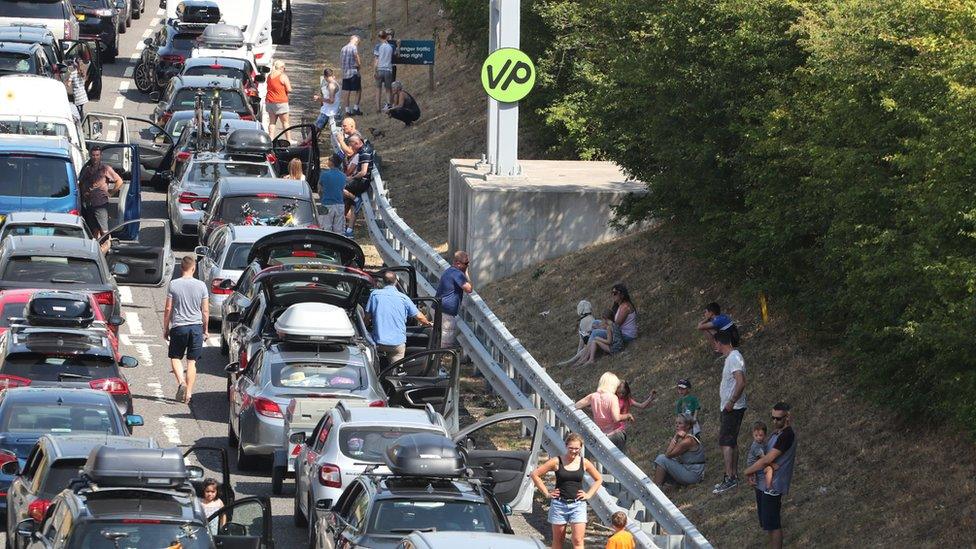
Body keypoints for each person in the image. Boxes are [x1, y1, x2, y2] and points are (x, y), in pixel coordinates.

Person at [530, 433, 603, 549]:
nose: (574, 451)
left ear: (581, 448)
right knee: (558, 540)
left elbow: (599, 479)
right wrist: (547, 493)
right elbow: (535, 474)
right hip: (559, 505)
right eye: (571, 448)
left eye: (577, 449)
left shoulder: (584, 462)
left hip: (578, 504)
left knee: (578, 540)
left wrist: (589, 494)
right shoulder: (556, 461)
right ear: (566, 446)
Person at [743, 403, 797, 549]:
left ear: (788, 417)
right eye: (772, 418)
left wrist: (747, 471)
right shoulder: (776, 433)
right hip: (763, 483)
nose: (774, 422)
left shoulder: (787, 435)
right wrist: (753, 472)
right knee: (767, 523)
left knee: (773, 524)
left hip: (774, 485)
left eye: (778, 419)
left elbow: (767, 459)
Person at [163, 256, 209, 405]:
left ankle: (181, 382)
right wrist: (205, 329)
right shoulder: (201, 285)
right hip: (196, 327)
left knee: (175, 357)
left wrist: (166, 327)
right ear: (193, 268)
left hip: (179, 327)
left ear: (181, 268)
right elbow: (206, 310)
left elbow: (168, 308)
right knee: (192, 362)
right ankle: (188, 393)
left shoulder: (174, 284)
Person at [365, 271, 433, 365]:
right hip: (397, 343)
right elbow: (419, 316)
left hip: (378, 342)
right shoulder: (404, 298)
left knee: (372, 366)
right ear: (396, 281)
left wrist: (364, 328)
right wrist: (428, 323)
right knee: (396, 369)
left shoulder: (375, 295)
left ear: (383, 281)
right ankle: (395, 378)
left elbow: (367, 318)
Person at [713, 330, 747, 494]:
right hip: (731, 406)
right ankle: (733, 475)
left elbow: (740, 382)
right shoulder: (734, 357)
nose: (715, 346)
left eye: (715, 343)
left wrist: (731, 401)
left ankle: (730, 477)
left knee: (726, 442)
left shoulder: (733, 357)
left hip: (732, 407)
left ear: (720, 342)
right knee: (731, 441)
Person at [574, 372, 632, 451]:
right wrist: (627, 416)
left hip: (601, 434)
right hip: (615, 433)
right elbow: (616, 418)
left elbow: (577, 405)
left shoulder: (593, 396)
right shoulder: (613, 398)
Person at [78, 147, 123, 246]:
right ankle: (97, 248)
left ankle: (108, 247)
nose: (95, 157)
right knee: (93, 230)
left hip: (101, 204)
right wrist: (84, 193)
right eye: (93, 155)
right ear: (90, 156)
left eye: (97, 155)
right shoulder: (87, 169)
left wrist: (111, 192)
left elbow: (119, 181)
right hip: (89, 204)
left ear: (101, 156)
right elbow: (80, 183)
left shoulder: (105, 169)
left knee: (104, 230)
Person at [652, 414, 706, 487]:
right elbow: (669, 455)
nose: (677, 425)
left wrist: (675, 437)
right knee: (663, 461)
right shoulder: (686, 438)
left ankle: (656, 490)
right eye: (676, 423)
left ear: (687, 426)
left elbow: (668, 454)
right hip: (689, 471)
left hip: (693, 476)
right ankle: (656, 486)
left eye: (680, 423)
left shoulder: (688, 441)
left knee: (661, 459)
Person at [434, 251, 473, 347]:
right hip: (446, 313)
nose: (467, 265)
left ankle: (435, 358)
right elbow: (469, 289)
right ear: (458, 263)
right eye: (466, 263)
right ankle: (439, 360)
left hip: (439, 309)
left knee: (437, 340)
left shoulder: (449, 271)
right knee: (445, 344)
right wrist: (466, 273)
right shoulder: (457, 273)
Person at [341, 133, 374, 237]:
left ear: (357, 143)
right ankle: (349, 230)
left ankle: (356, 199)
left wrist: (352, 177)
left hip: (362, 182)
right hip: (362, 182)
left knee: (339, 187)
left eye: (352, 145)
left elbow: (363, 172)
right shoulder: (364, 149)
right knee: (351, 204)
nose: (351, 148)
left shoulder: (364, 153)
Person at [746, 422, 778, 495]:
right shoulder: (756, 446)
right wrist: (773, 464)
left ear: (764, 435)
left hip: (757, 463)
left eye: (760, 435)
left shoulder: (762, 442)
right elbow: (763, 458)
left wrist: (773, 433)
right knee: (769, 469)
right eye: (756, 435)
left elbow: (768, 440)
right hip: (753, 465)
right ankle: (768, 488)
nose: (758, 438)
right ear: (753, 435)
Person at [317, 154, 346, 233]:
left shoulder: (324, 174)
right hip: (339, 204)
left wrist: (321, 197)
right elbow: (343, 189)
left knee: (325, 228)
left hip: (327, 203)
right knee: (339, 230)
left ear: (332, 162)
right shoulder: (343, 176)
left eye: (329, 159)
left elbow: (320, 189)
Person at [265, 60, 292, 141]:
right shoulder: (283, 76)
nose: (285, 69)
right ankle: (289, 139)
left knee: (272, 122)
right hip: (281, 102)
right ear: (280, 68)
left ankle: (271, 139)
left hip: (270, 101)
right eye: (284, 67)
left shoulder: (270, 76)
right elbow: (289, 89)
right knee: (285, 122)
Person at [339, 35, 363, 115]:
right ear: (356, 41)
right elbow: (356, 57)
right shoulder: (353, 47)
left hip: (345, 73)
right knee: (358, 90)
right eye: (358, 42)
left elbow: (341, 61)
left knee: (347, 91)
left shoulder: (343, 48)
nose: (357, 44)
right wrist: (359, 65)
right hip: (353, 72)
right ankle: (356, 108)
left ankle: (347, 110)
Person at [373, 30, 394, 112]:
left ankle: (378, 108)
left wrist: (374, 71)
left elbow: (376, 60)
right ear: (386, 37)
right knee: (388, 89)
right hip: (388, 69)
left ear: (379, 37)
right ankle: (389, 106)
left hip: (380, 69)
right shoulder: (391, 46)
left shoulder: (378, 46)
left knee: (378, 89)